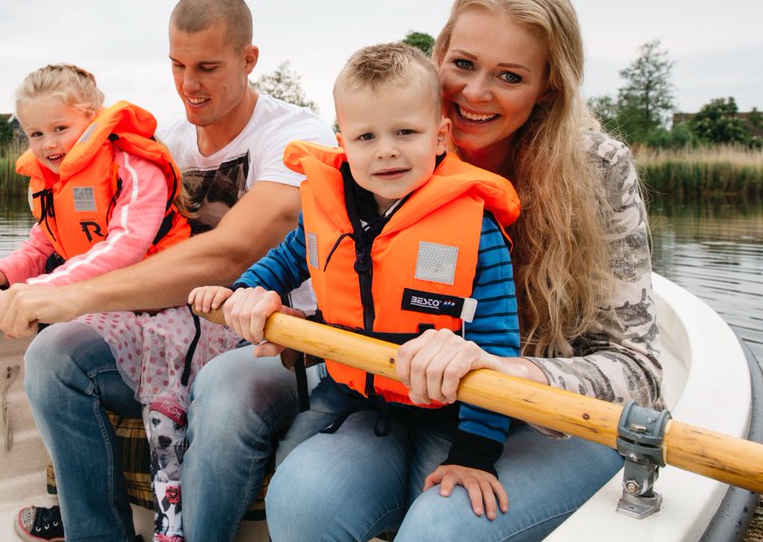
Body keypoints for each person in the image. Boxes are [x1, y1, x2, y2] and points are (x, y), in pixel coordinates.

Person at [238, 0, 663, 542]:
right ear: (438, 58)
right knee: (302, 498)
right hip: (407, 405)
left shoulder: (598, 167)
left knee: (443, 528)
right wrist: (300, 320)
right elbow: (338, 262)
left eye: (509, 76)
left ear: (548, 88)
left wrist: (508, 370)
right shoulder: (397, 144)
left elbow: (640, 374)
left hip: (541, 419)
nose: (475, 93)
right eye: (462, 65)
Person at [0, 0, 335, 542]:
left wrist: (71, 296)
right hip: (171, 334)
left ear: (249, 60)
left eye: (206, 67)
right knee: (53, 355)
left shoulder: (296, 137)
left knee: (223, 391)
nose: (188, 85)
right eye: (176, 65)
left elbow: (234, 251)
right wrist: (16, 273)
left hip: (272, 342)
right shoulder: (163, 144)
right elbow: (96, 229)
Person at [190, 42, 523, 529]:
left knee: (435, 509)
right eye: (366, 136)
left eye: (405, 132)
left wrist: (475, 453)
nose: (386, 150)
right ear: (344, 143)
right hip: (353, 390)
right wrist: (246, 289)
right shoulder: (329, 207)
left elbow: (496, 341)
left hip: (446, 410)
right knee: (292, 467)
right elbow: (286, 261)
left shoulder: (477, 229)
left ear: (440, 137)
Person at [0, 63, 235, 542]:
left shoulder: (133, 165)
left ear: (92, 117)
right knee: (48, 355)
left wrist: (47, 291)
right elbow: (41, 246)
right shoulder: (52, 181)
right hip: (102, 313)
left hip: (165, 313)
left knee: (55, 344)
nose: (49, 144)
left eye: (61, 128)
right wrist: (2, 274)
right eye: (35, 133)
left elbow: (125, 246)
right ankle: (97, 531)